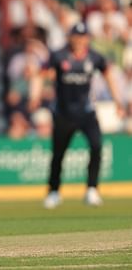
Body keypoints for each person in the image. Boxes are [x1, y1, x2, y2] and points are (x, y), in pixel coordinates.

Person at [30, 23, 125, 209]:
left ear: (87, 38)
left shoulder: (94, 57)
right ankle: (54, 191)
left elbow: (108, 75)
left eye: (83, 37)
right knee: (58, 154)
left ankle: (92, 189)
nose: (80, 40)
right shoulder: (59, 55)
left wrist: (117, 101)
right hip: (63, 113)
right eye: (76, 36)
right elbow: (40, 74)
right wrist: (35, 96)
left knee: (97, 147)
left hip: (87, 112)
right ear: (70, 37)